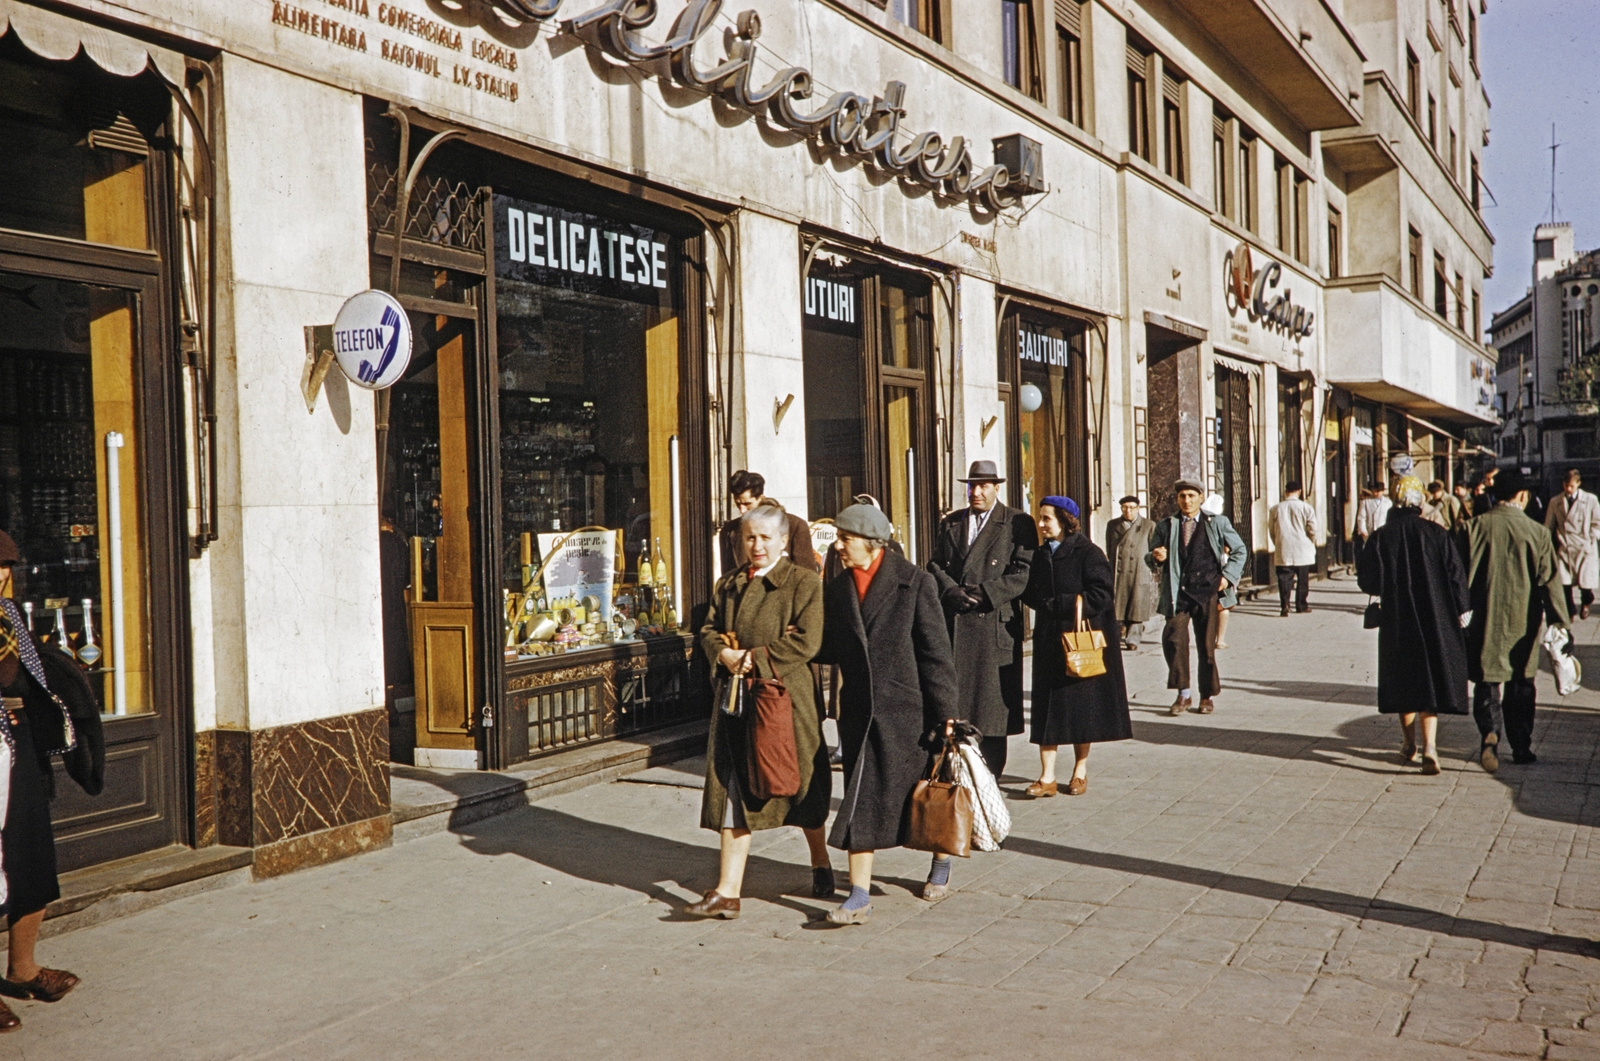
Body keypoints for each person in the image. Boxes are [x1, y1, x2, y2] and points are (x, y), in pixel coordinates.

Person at [688, 502, 833, 919]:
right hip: (737, 701)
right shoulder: (728, 583)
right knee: (735, 785)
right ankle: (727, 892)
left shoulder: (804, 583)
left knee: (801, 786)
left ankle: (820, 861)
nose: (757, 546)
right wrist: (722, 654)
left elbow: (808, 641)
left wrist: (754, 657)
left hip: (785, 701)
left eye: (766, 537)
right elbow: (709, 628)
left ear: (784, 541)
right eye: (750, 537)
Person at [816, 503, 959, 920]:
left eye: (845, 538)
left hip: (908, 712)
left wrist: (947, 712)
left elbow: (935, 654)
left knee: (927, 792)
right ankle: (859, 894)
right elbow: (834, 645)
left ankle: (941, 864)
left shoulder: (915, 583)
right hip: (860, 713)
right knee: (860, 797)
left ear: (870, 543)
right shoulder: (839, 586)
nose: (838, 546)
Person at [0, 531, 101, 1029]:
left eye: (5, 568)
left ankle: (23, 969)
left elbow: (28, 678)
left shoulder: (11, 614)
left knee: (31, 858)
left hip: (20, 748)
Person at [926, 461, 1037, 779]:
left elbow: (1025, 572)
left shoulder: (1017, 522)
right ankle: (955, 770)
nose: (976, 492)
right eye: (972, 486)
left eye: (984, 486)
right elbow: (934, 564)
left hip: (993, 626)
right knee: (954, 703)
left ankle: (989, 776)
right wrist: (950, 592)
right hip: (956, 624)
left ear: (997, 488)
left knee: (991, 710)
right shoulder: (951, 522)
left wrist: (985, 593)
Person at [1356, 476, 1471, 775]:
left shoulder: (1381, 536)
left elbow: (1367, 581)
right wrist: (1462, 608)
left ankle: (1409, 744)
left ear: (1395, 499)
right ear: (1420, 500)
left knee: (1403, 678)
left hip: (1397, 618)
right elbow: (1456, 574)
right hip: (1436, 617)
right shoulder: (1437, 532)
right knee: (1430, 678)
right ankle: (1431, 747)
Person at [1021, 496, 1131, 797]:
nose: (1041, 525)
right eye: (1040, 518)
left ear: (1065, 521)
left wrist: (1064, 604)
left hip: (1080, 642)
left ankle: (1079, 771)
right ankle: (1046, 778)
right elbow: (1029, 591)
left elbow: (1102, 594)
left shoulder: (1088, 553)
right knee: (1046, 710)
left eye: (1047, 519)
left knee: (1083, 710)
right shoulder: (1040, 554)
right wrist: (1041, 602)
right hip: (1048, 643)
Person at [1466, 468, 1570, 770]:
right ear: (1523, 497)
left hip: (1483, 619)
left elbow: (1458, 578)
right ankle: (1521, 745)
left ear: (1494, 496)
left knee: (1487, 681)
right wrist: (1559, 623)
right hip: (1523, 621)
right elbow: (1550, 582)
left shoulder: (1473, 528)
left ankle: (1489, 733)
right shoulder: (1538, 534)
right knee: (1521, 683)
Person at [1146, 480, 1247, 715]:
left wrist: (1227, 577)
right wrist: (1155, 556)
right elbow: (1150, 556)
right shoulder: (1166, 525)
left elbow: (1240, 550)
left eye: (1191, 495)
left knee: (1206, 647)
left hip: (1207, 592)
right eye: (1182, 495)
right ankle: (1184, 694)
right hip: (1178, 594)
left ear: (1201, 497)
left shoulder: (1217, 523)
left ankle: (1207, 695)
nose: (1186, 500)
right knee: (1173, 640)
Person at [717, 470, 818, 576]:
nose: (742, 510)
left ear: (761, 498)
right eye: (738, 504)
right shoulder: (728, 531)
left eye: (747, 504)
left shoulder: (796, 526)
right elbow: (727, 579)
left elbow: (807, 578)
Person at [1544, 469, 1600, 621]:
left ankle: (1586, 601)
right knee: (1564, 582)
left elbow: (1597, 523)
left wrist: (1592, 537)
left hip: (1585, 547)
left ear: (1578, 484)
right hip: (1565, 547)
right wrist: (1546, 542)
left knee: (1585, 583)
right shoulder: (1555, 502)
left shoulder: (1591, 500)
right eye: (1566, 486)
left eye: (1572, 486)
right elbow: (1548, 525)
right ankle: (1569, 610)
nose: (1568, 489)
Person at [1105, 495, 1157, 652]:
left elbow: (1153, 548)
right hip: (1120, 571)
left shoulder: (1148, 525)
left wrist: (1151, 567)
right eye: (1124, 507)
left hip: (1139, 570)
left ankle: (1133, 638)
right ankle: (1118, 633)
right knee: (1119, 604)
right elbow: (1110, 548)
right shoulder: (1113, 525)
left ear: (1137, 508)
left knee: (1136, 605)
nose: (1128, 511)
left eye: (1131, 507)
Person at [1269, 480, 1318, 617]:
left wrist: (1277, 542)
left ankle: (1285, 604)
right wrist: (1311, 541)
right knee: (1303, 579)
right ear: (1299, 491)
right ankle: (1301, 605)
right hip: (1302, 548)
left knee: (1284, 578)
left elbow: (1271, 530)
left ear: (1285, 491)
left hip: (1284, 547)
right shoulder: (1306, 508)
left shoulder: (1275, 508)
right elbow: (1313, 529)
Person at [1200, 493, 1240, 649]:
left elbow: (1236, 547)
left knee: (1219, 606)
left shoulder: (1214, 522)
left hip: (1218, 571)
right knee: (1223, 606)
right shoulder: (1220, 521)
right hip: (1221, 570)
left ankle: (1216, 638)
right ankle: (1219, 639)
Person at [1354, 482, 1392, 551]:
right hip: (1370, 531)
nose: (1376, 493)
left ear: (1382, 491)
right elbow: (1361, 517)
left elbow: (1390, 518)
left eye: (1378, 491)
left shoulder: (1388, 503)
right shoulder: (1366, 502)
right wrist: (1363, 530)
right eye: (1374, 491)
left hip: (1383, 531)